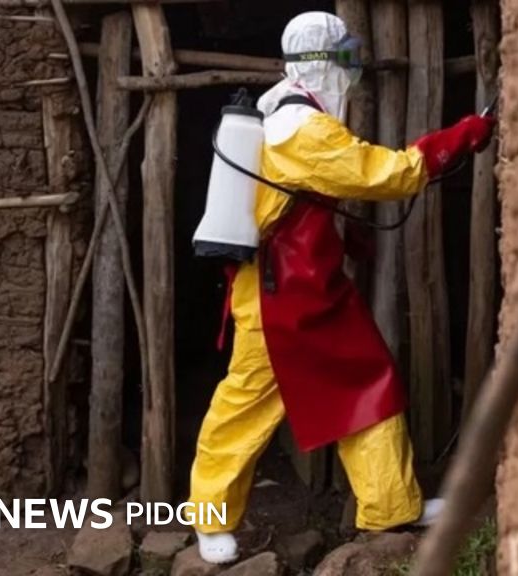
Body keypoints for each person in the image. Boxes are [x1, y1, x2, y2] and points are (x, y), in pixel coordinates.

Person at [188, 11, 495, 564]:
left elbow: (293, 198)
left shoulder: (281, 109)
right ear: (323, 63)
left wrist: (343, 237)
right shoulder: (304, 129)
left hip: (311, 287)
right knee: (246, 406)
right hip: (278, 298)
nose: (353, 72)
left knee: (368, 381)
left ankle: (390, 506)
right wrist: (458, 139)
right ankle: (210, 519)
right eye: (346, 58)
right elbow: (386, 173)